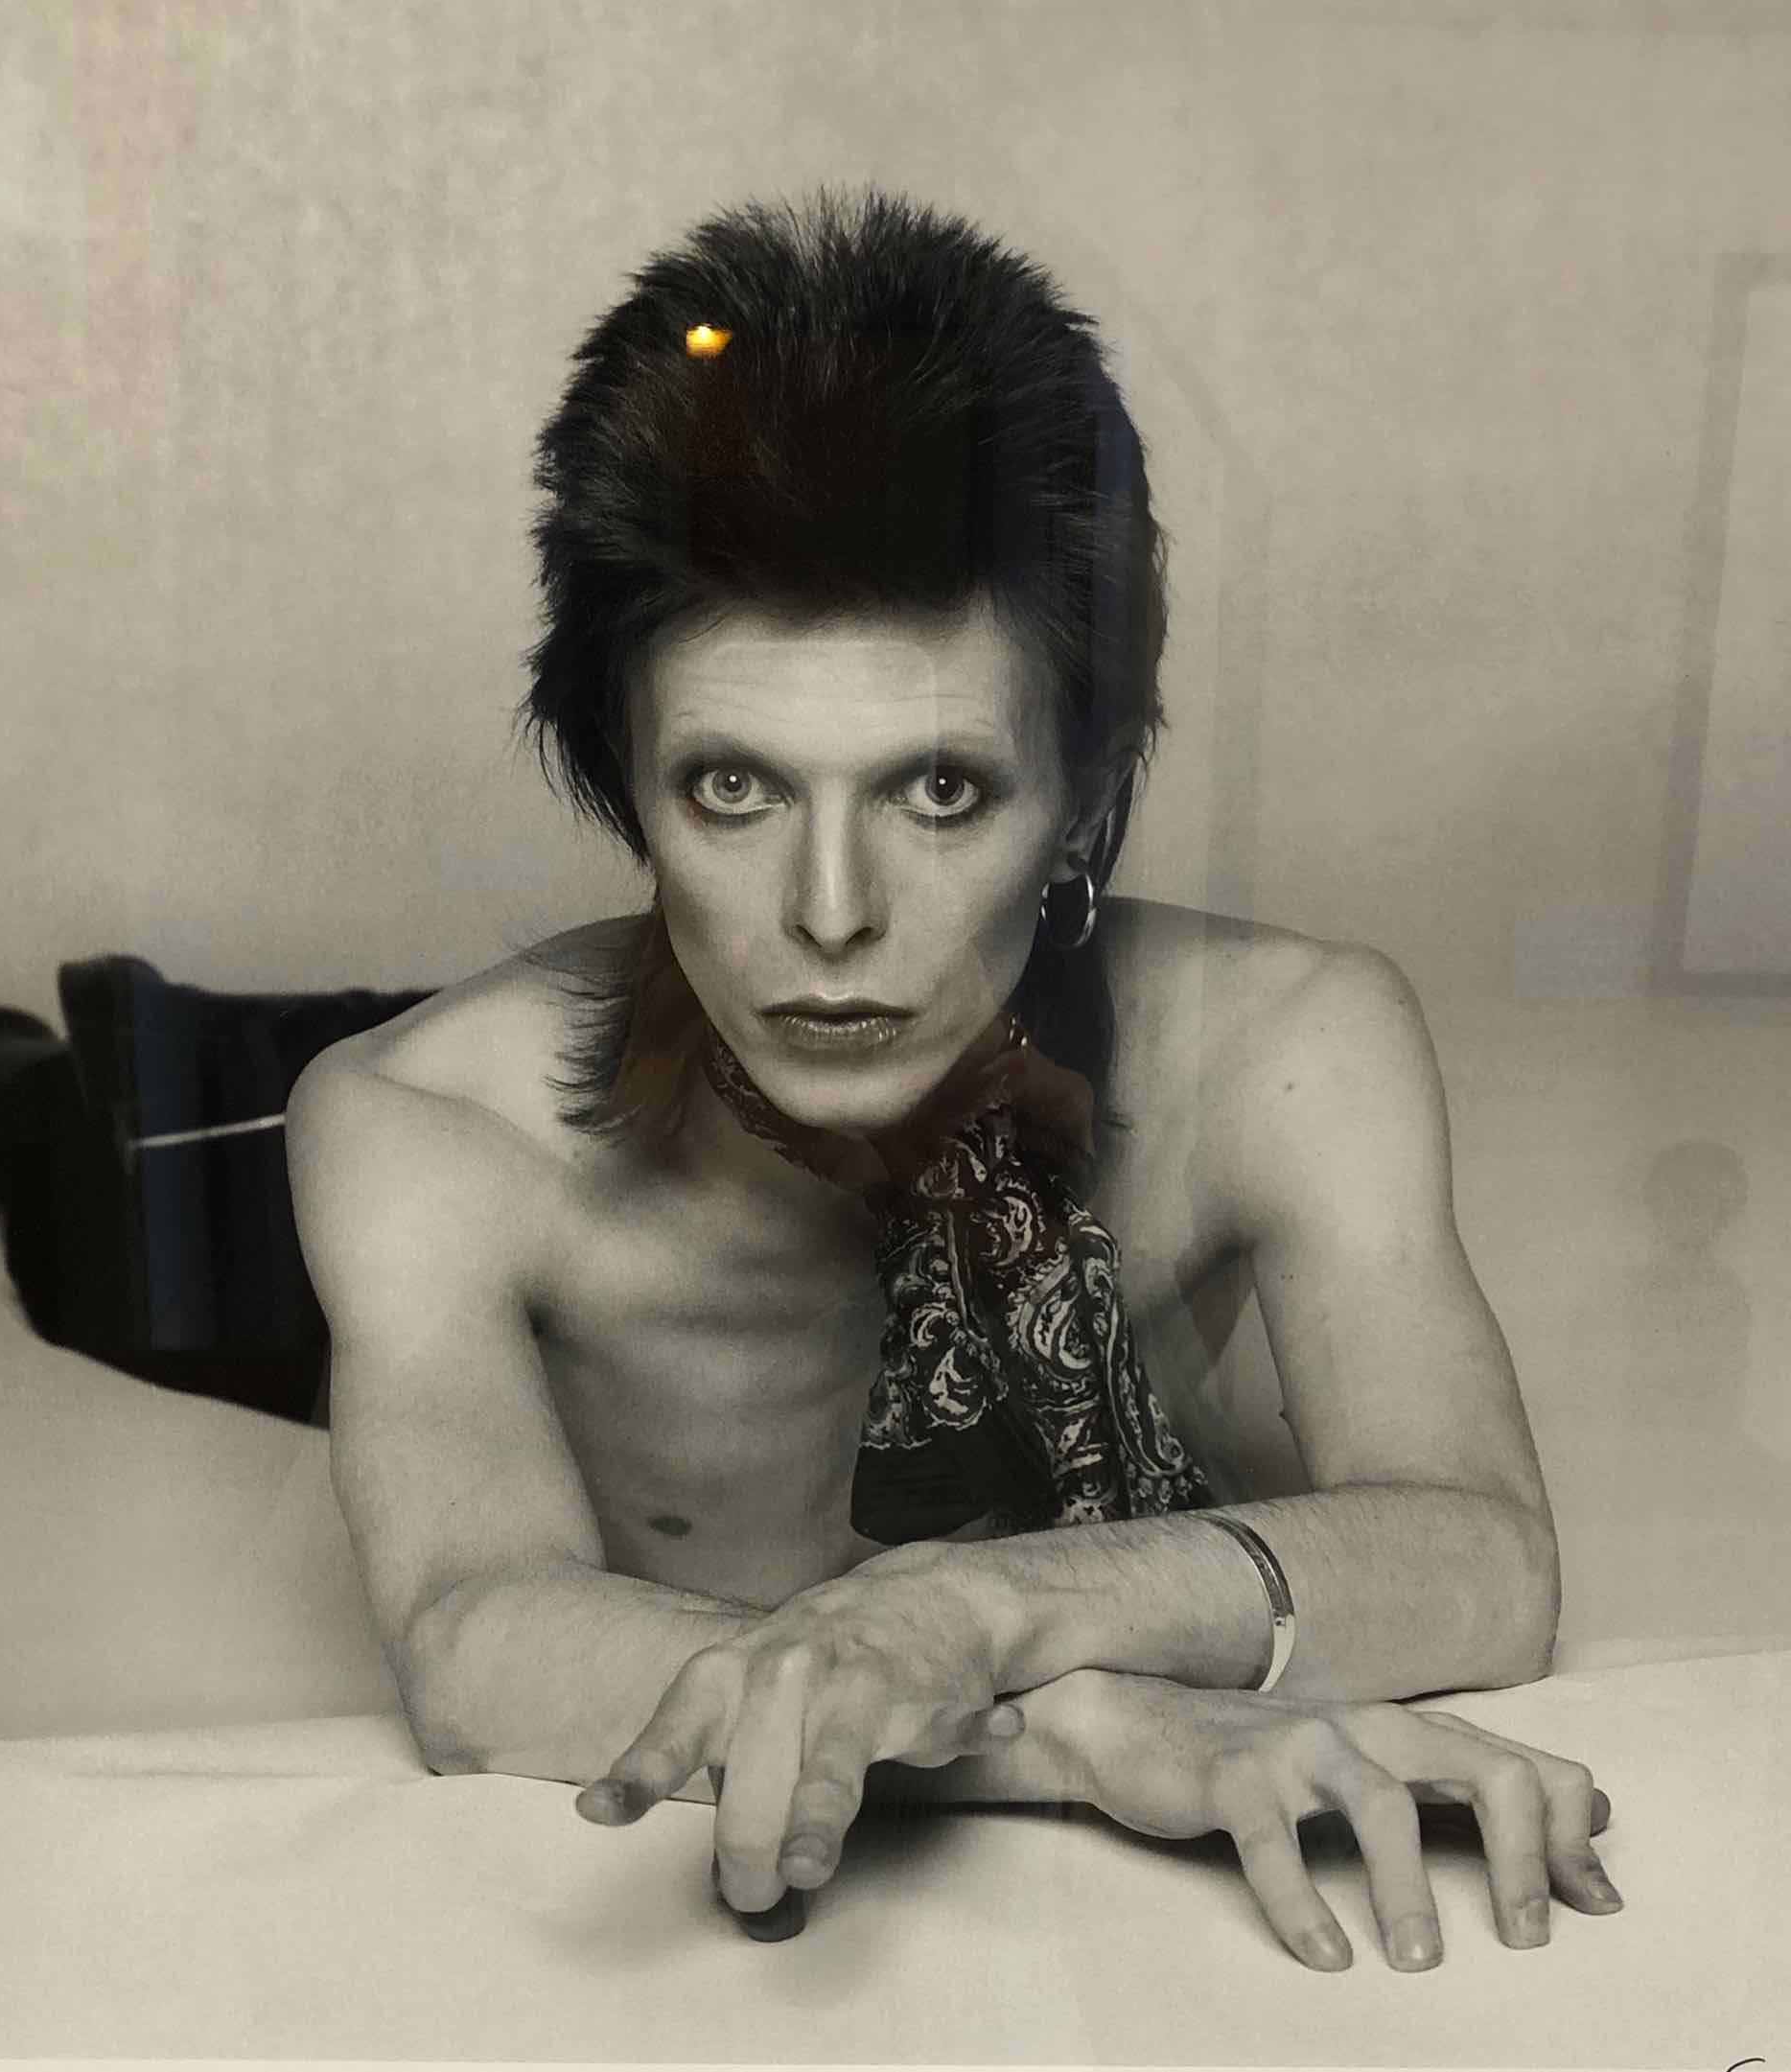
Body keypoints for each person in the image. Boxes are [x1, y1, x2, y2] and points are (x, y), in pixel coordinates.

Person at [280, 185, 1622, 1965]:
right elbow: (471, 1639)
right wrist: (1075, 1725)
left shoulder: (1292, 1044)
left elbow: (1488, 1558)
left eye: (939, 790)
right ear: (626, 782)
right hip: (543, 1081)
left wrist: (976, 1612)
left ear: (1081, 793)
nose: (831, 914)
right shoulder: (419, 1122)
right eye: (732, 789)